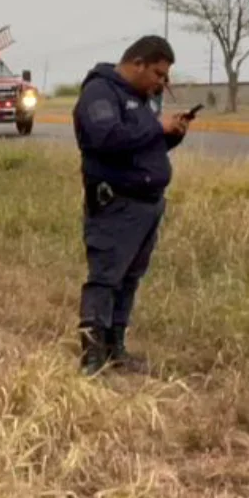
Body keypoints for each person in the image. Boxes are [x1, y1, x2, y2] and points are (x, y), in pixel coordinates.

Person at [72, 35, 190, 376]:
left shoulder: (142, 99)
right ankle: (92, 358)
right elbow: (105, 138)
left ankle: (115, 349)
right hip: (115, 205)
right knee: (106, 278)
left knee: (129, 279)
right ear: (137, 63)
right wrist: (156, 127)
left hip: (147, 206)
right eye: (157, 74)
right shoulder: (100, 93)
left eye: (165, 77)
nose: (161, 83)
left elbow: (143, 148)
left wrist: (172, 134)